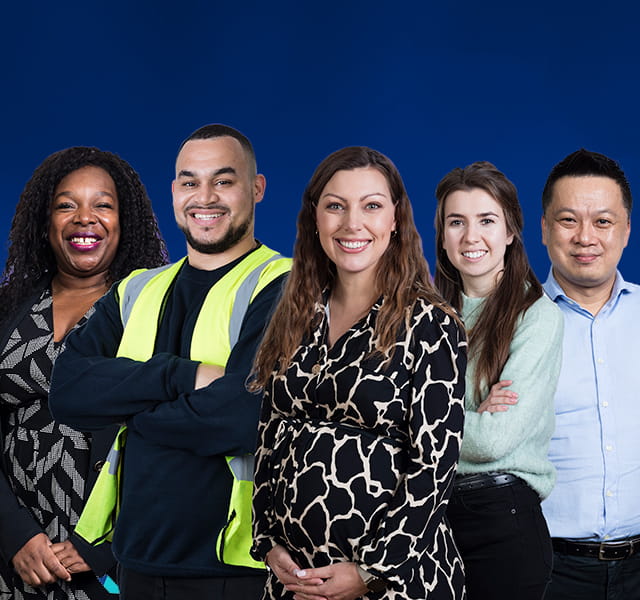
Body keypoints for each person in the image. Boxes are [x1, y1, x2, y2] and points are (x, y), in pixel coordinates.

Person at [49, 124, 291, 600]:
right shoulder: (138, 289)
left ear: (256, 189)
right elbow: (68, 393)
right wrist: (180, 375)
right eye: (189, 182)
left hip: (233, 567)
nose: (205, 197)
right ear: (175, 192)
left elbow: (244, 417)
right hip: (135, 559)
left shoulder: (284, 284)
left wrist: (128, 411)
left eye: (223, 181)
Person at [250, 146, 467, 600]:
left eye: (371, 206)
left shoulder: (430, 324)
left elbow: (435, 467)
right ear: (314, 218)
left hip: (395, 585)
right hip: (295, 583)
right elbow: (270, 435)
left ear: (395, 219)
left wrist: (370, 571)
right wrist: (268, 541)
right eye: (335, 206)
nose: (352, 223)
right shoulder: (295, 312)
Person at [0, 146, 168, 600]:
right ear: (45, 221)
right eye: (66, 205)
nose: (84, 217)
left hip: (111, 562)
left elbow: (181, 439)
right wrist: (14, 535)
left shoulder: (154, 310)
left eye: (103, 205)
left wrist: (106, 546)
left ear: (123, 221)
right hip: (11, 557)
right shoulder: (7, 309)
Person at [433, 161, 564, 600]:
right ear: (443, 234)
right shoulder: (423, 315)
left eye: (487, 221)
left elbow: (494, 440)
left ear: (510, 231)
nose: (471, 237)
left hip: (501, 521)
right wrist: (471, 416)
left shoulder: (537, 316)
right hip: (428, 517)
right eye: (457, 222)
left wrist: (418, 422)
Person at [540, 149, 639, 600]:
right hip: (550, 571)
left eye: (603, 221)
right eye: (567, 220)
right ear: (544, 229)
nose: (585, 237)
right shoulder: (509, 324)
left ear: (626, 230)